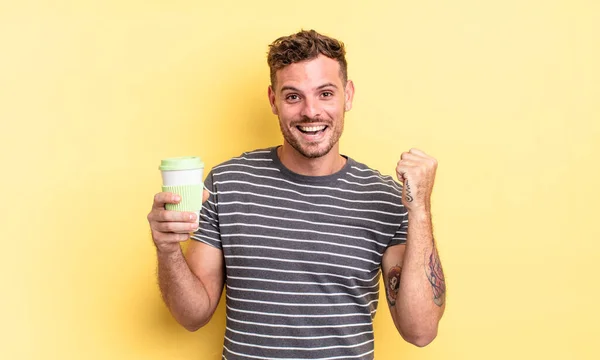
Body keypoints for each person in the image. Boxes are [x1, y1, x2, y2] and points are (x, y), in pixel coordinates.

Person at [147, 29, 446, 359]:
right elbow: (193, 316)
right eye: (293, 96)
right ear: (274, 101)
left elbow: (419, 331)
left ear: (347, 95)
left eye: (325, 94)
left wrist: (420, 211)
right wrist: (167, 248)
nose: (310, 111)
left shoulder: (385, 198)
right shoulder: (226, 184)